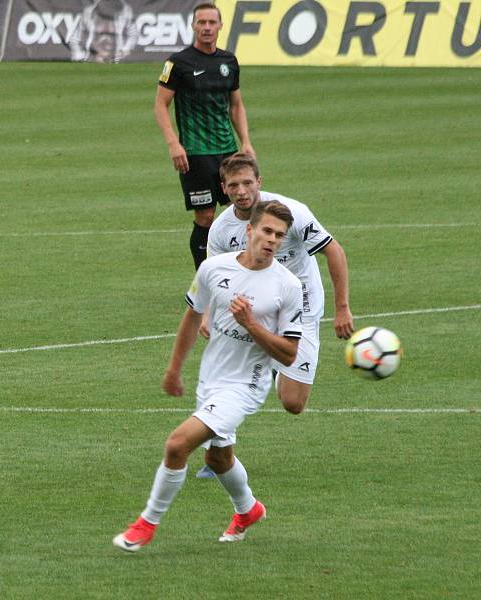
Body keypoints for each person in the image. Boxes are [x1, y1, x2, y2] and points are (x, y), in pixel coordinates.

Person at [113, 200, 303, 551]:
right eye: (266, 231)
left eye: (279, 235)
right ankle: (248, 510)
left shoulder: (288, 287)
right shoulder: (213, 269)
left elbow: (289, 352)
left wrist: (251, 324)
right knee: (217, 459)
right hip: (211, 378)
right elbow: (191, 315)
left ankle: (146, 523)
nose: (272, 240)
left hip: (246, 386)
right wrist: (174, 369)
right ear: (250, 230)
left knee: (177, 445)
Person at [195, 153, 353, 478]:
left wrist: (342, 308)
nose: (242, 191)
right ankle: (219, 453)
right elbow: (212, 275)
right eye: (234, 185)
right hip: (253, 310)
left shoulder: (291, 212)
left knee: (294, 404)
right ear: (223, 188)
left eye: (248, 183)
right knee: (228, 379)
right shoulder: (222, 229)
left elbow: (333, 250)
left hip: (302, 308)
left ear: (259, 183)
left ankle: (274, 372)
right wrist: (207, 313)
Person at [154, 2, 254, 270]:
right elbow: (161, 105)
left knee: (243, 210)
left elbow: (236, 105)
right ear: (193, 26)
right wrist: (173, 143)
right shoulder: (178, 63)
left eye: (212, 23)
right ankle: (205, 278)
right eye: (202, 23)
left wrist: (245, 141)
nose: (207, 28)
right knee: (206, 215)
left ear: (220, 26)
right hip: (195, 153)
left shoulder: (228, 61)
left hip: (228, 151)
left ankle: (243, 271)